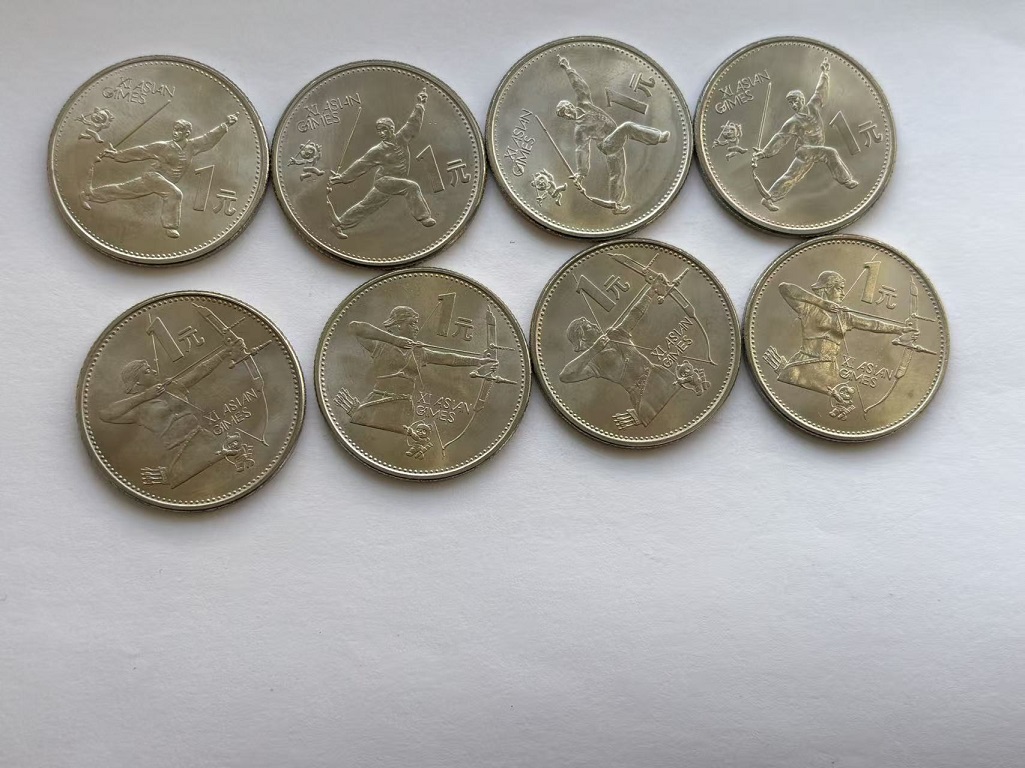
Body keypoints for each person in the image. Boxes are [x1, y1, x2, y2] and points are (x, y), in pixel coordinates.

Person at [98, 336, 244, 487]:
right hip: (180, 450)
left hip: (204, 439)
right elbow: (105, 414)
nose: (154, 371)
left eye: (151, 368)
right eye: (147, 371)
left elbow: (199, 371)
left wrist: (225, 351)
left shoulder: (173, 387)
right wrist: (145, 396)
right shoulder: (138, 410)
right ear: (138, 381)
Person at [345, 306, 492, 454]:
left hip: (404, 407)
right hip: (380, 401)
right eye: (412, 323)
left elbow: (448, 358)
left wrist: (478, 361)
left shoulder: (418, 352)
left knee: (392, 448)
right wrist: (395, 340)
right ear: (398, 325)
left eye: (416, 324)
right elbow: (355, 327)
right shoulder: (380, 345)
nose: (416, 328)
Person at [81, 114, 238, 238]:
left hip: (163, 181)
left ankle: (89, 195)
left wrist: (225, 125)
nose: (175, 132)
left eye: (179, 130)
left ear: (187, 133)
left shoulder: (192, 146)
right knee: (175, 194)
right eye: (174, 129)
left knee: (123, 190)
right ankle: (171, 227)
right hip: (154, 176)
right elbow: (141, 151)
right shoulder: (163, 146)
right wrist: (117, 155)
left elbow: (208, 139)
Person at [559, 272, 682, 430]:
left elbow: (634, 314)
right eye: (588, 327)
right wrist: (594, 349)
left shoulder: (616, 334)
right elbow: (565, 376)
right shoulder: (594, 362)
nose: (595, 325)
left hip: (660, 376)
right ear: (583, 338)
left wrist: (651, 291)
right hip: (643, 395)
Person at [555, 55, 669, 214]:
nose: (566, 115)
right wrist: (581, 173)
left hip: (614, 140)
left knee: (617, 174)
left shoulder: (584, 104)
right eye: (563, 115)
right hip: (607, 144)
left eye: (565, 111)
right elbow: (582, 150)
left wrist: (568, 69)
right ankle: (658, 137)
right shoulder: (580, 130)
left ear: (569, 106)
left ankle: (616, 206)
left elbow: (580, 87)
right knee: (627, 127)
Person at [775, 271, 913, 402]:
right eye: (839, 288)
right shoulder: (808, 308)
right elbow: (785, 288)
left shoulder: (844, 316)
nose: (843, 293)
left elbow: (873, 324)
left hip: (829, 370)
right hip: (806, 364)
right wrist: (822, 303)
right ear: (826, 289)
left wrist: (900, 329)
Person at [752, 60, 858, 211]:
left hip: (816, 148)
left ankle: (768, 198)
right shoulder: (793, 122)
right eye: (791, 103)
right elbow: (780, 138)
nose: (793, 105)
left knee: (792, 176)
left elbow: (820, 92)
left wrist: (824, 73)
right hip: (804, 150)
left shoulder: (813, 106)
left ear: (802, 99)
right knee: (831, 153)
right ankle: (846, 180)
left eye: (795, 101)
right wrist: (764, 153)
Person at [328, 91, 435, 238]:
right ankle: (424, 217)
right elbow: (361, 165)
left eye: (384, 129)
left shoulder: (402, 138)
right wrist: (342, 178)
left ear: (391, 129)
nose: (381, 133)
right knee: (412, 186)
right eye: (379, 131)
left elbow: (413, 124)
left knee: (365, 206)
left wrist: (420, 105)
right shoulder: (377, 150)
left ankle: (338, 225)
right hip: (384, 181)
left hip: (394, 182)